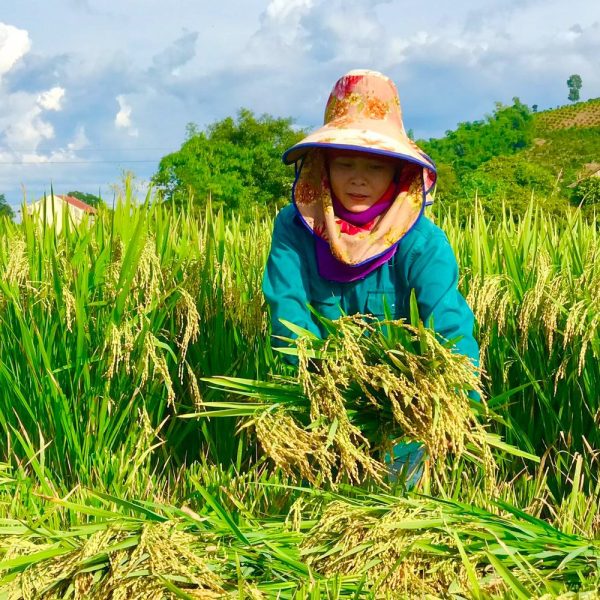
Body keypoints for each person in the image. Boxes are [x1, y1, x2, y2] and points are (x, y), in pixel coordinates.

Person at [262, 69, 479, 485]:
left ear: (398, 174)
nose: (358, 178)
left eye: (375, 167)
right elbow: (286, 308)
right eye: (344, 163)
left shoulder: (421, 241)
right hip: (319, 390)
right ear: (322, 167)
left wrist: (458, 404)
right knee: (317, 496)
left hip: (402, 400)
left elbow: (449, 320)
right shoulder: (294, 228)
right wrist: (323, 382)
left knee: (397, 500)